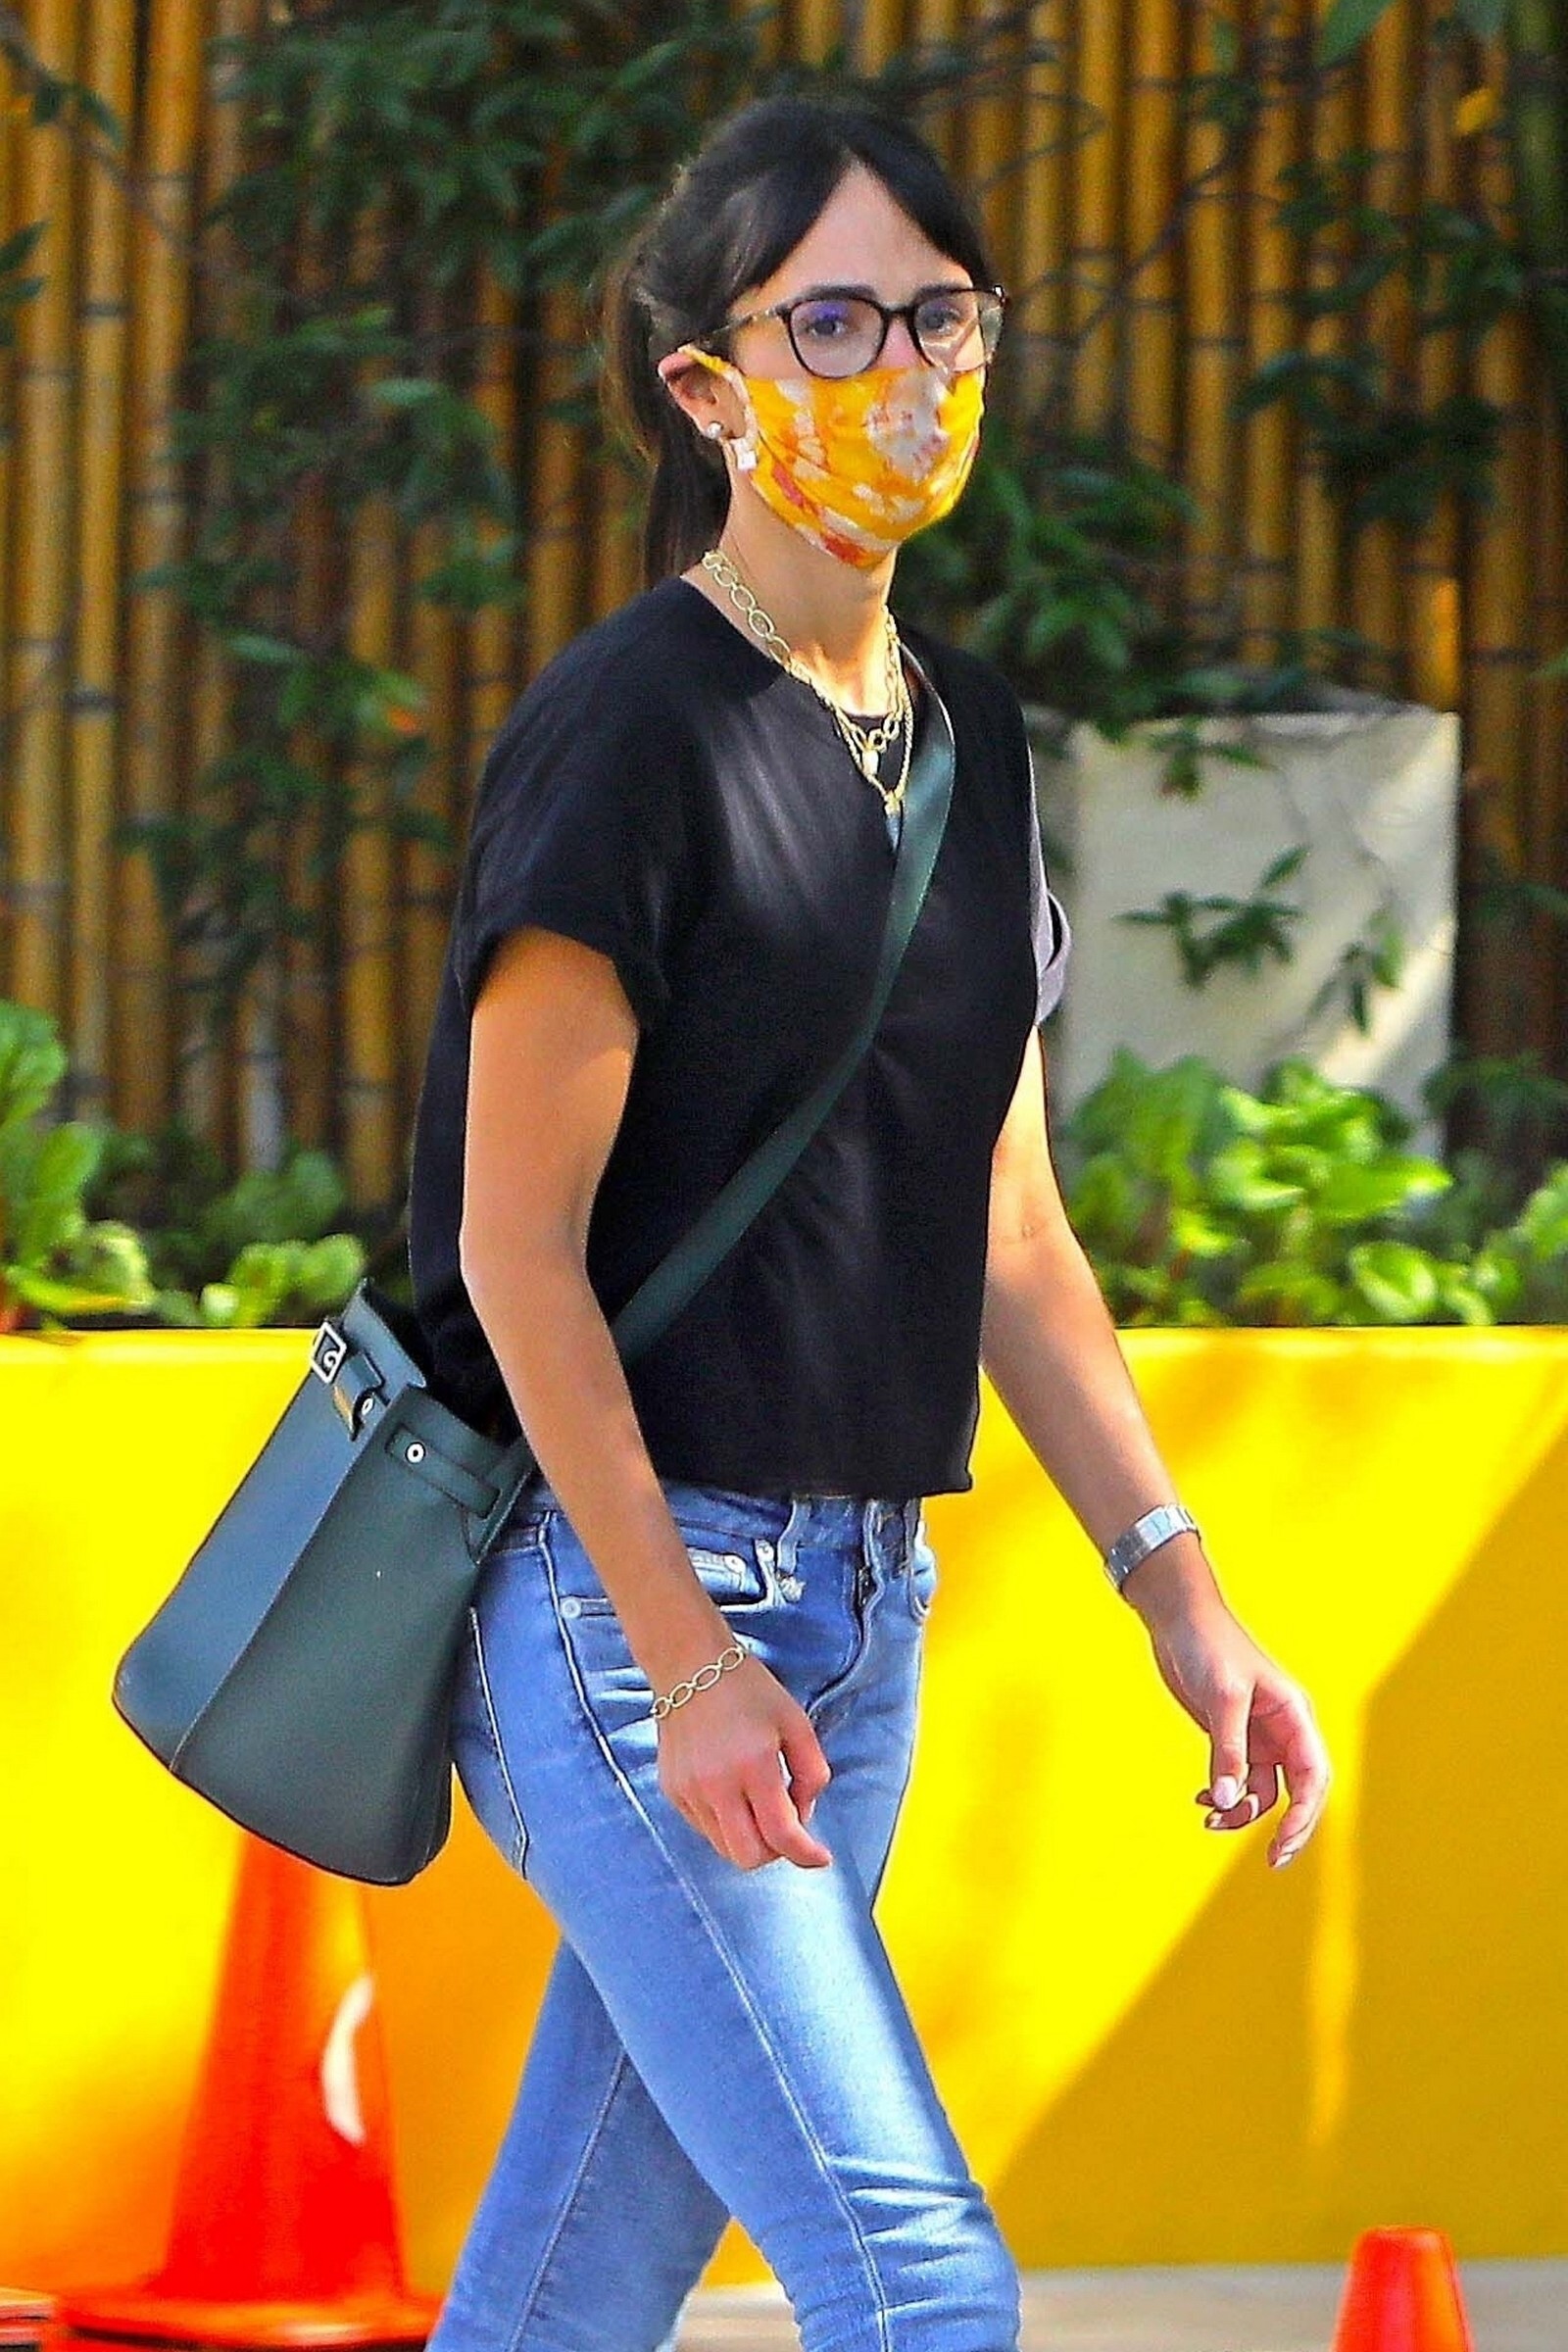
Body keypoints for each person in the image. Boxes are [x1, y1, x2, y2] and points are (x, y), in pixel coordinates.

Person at [406, 91, 1331, 2352]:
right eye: (830, 322)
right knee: (917, 2278)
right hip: (630, 1611)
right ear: (705, 387)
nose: (900, 373)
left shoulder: (966, 742)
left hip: (858, 1615)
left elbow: (1007, 1224)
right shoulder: (627, 731)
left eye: (939, 317)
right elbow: (516, 1251)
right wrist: (686, 1658)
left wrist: (1178, 1592)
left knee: (576, 2276)